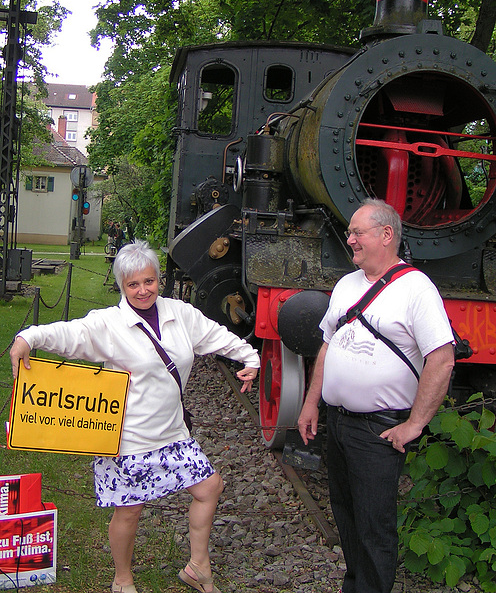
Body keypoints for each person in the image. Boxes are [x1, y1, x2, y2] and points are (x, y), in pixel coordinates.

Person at [10, 240, 260, 593]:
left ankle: (197, 568)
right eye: (133, 284)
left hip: (173, 434)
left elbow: (215, 335)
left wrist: (249, 357)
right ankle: (122, 578)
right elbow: (69, 333)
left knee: (209, 488)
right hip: (129, 438)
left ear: (159, 279)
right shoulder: (108, 324)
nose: (143, 290)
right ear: (122, 286)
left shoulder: (180, 313)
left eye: (149, 281)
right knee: (130, 510)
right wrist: (27, 338)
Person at [297, 198, 454, 593]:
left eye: (356, 232)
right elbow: (327, 345)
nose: (349, 239)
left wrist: (415, 425)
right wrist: (312, 402)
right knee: (347, 517)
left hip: (379, 430)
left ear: (386, 235)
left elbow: (442, 358)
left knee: (374, 526)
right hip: (340, 422)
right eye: (350, 233)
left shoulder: (417, 289)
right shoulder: (346, 285)